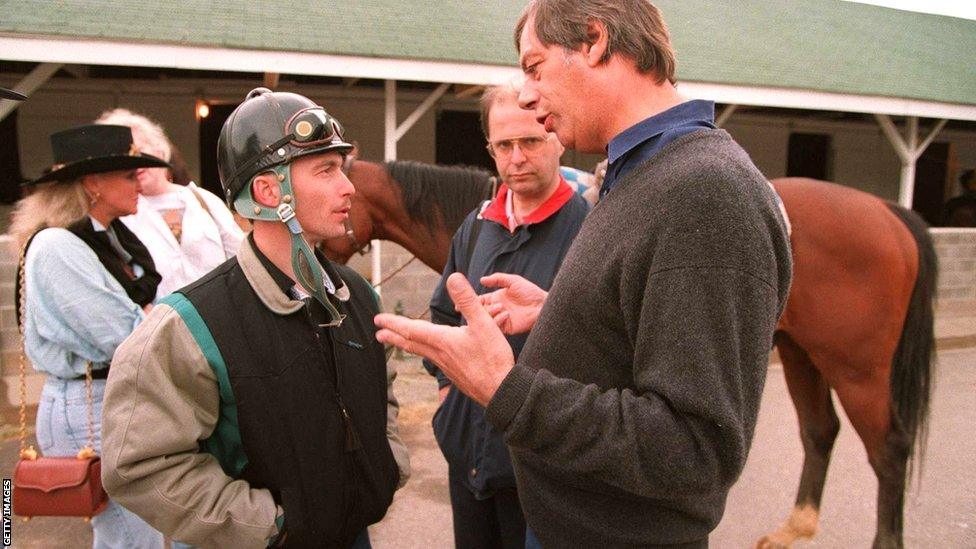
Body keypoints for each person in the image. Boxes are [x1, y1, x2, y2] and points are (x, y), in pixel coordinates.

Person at [374, 1, 793, 547]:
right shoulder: (642, 175)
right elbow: (647, 330)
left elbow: (695, 449)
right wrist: (563, 311)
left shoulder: (705, 192)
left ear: (594, 41)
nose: (523, 95)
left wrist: (506, 390)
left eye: (534, 66)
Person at [100, 88, 410, 549]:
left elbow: (378, 396)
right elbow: (140, 466)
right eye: (326, 170)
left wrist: (388, 465)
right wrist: (272, 525)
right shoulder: (190, 325)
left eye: (341, 168)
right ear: (268, 191)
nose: (348, 187)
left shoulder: (359, 297)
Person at [425, 79, 588, 548]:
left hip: (538, 469)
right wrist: (444, 395)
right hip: (467, 456)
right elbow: (441, 313)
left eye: (530, 141)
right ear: (490, 148)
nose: (516, 158)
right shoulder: (476, 227)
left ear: (556, 138)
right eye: (504, 145)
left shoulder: (591, 232)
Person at [9, 123, 169, 548]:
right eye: (127, 174)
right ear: (93, 183)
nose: (139, 182)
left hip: (111, 395)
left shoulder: (110, 238)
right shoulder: (57, 247)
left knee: (137, 534)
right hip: (89, 401)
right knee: (132, 538)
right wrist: (150, 319)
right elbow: (126, 336)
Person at [95, 108, 244, 300]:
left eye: (139, 151)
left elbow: (242, 259)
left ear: (159, 150)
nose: (135, 163)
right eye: (124, 159)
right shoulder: (118, 215)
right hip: (160, 324)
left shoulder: (202, 199)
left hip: (220, 318)